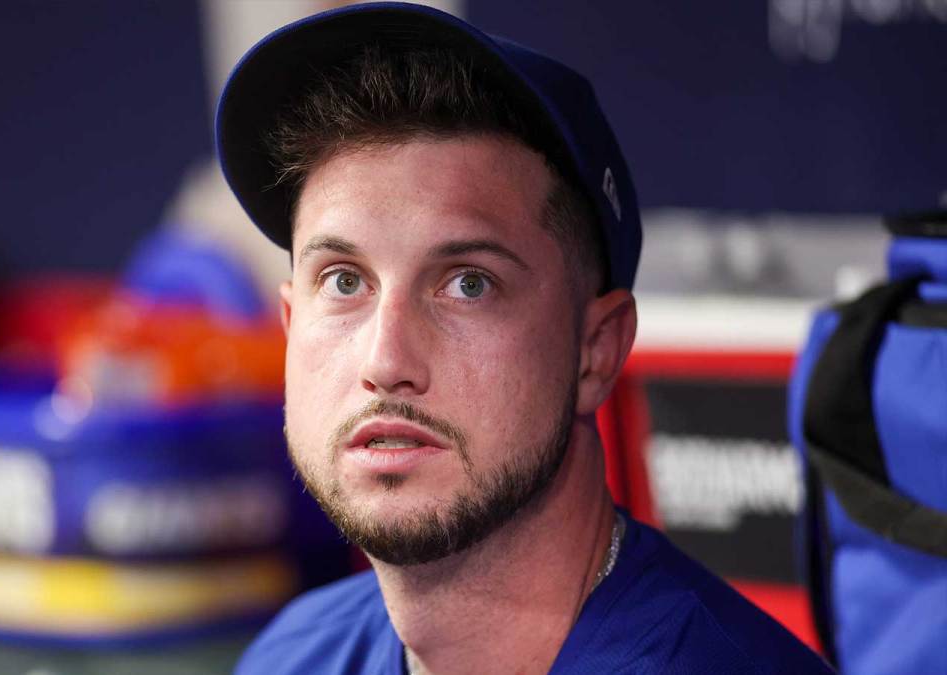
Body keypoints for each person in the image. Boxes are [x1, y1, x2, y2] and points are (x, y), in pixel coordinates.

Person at [215, 3, 835, 673]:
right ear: (289, 325)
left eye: (469, 284)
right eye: (342, 282)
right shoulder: (292, 654)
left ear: (595, 349)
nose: (385, 360)